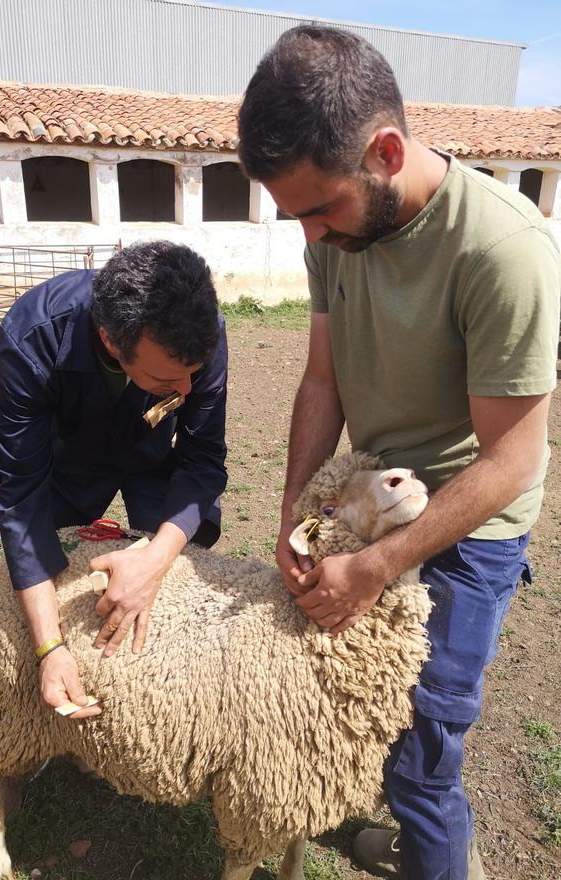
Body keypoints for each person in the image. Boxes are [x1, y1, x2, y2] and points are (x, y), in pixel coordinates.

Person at [237, 25, 559, 880]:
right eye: (293, 213)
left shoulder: (503, 251)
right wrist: (296, 519)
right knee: (349, 699)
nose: (308, 235)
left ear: (385, 150)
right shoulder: (332, 236)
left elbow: (513, 463)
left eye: (319, 207)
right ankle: (419, 839)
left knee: (419, 751)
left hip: (468, 513)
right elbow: (320, 384)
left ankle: (439, 848)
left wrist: (377, 567)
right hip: (370, 493)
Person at [0, 240, 228, 721]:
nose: (186, 390)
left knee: (183, 560)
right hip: (68, 460)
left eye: (193, 375)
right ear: (112, 342)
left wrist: (156, 560)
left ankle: (162, 695)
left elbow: (202, 458)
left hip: (154, 459)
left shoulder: (201, 334)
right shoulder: (32, 334)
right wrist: (49, 646)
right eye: (168, 380)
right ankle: (54, 674)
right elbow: (20, 492)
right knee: (47, 567)